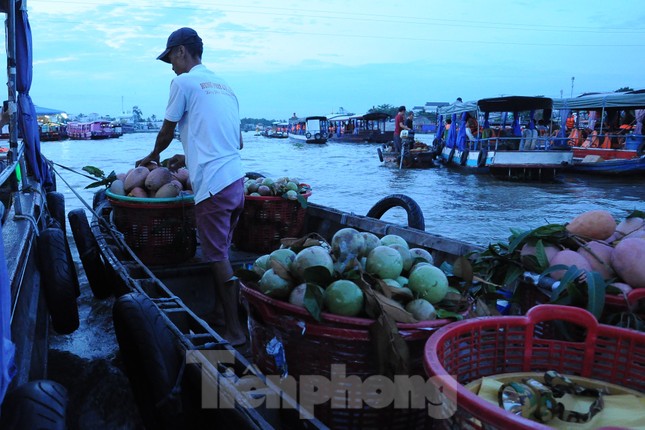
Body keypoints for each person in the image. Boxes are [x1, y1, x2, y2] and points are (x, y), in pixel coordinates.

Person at [136, 27, 247, 346]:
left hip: (213, 186)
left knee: (215, 256)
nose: (170, 65)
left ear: (182, 51)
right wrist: (186, 157)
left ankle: (236, 331)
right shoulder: (224, 86)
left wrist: (153, 156)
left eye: (170, 57)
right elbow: (234, 142)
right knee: (222, 253)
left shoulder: (182, 82)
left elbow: (166, 130)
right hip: (236, 182)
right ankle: (218, 313)